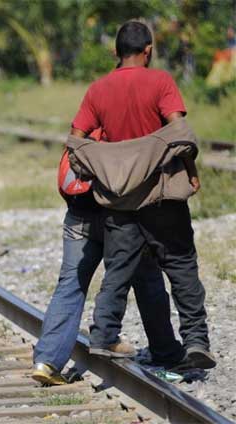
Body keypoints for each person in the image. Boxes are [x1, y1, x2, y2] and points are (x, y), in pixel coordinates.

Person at [70, 21, 215, 370]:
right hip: (162, 194)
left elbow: (76, 138)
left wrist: (105, 166)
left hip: (120, 198)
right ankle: (195, 341)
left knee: (118, 267)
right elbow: (178, 130)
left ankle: (104, 334)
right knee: (180, 265)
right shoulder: (161, 81)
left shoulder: (98, 90)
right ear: (148, 50)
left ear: (116, 51)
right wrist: (192, 173)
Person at [32, 132, 186, 385]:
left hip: (79, 216)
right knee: (148, 282)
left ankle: (46, 361)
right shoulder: (133, 127)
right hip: (123, 221)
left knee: (70, 284)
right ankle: (166, 353)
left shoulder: (88, 121)